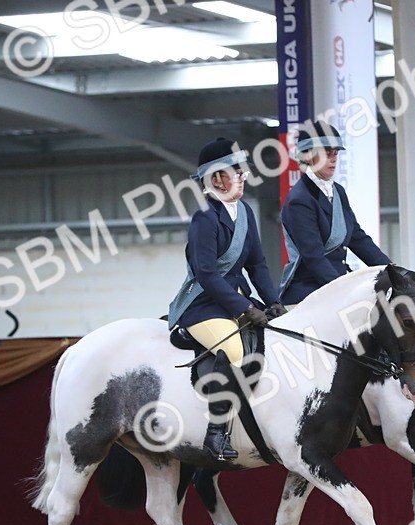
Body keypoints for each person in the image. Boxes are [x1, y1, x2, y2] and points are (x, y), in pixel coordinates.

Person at [168, 138, 285, 461]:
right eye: (237, 170)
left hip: (234, 299)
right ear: (217, 177)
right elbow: (207, 274)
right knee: (231, 348)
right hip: (203, 304)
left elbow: (257, 263)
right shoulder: (205, 219)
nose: (244, 175)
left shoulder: (245, 212)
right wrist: (246, 308)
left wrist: (272, 301)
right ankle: (216, 432)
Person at [279, 120, 392, 306]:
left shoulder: (338, 191)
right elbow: (313, 257)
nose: (333, 158)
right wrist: (344, 289)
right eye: (327, 153)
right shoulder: (299, 200)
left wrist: (392, 271)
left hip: (337, 282)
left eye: (335, 153)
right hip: (309, 289)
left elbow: (357, 238)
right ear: (308, 156)